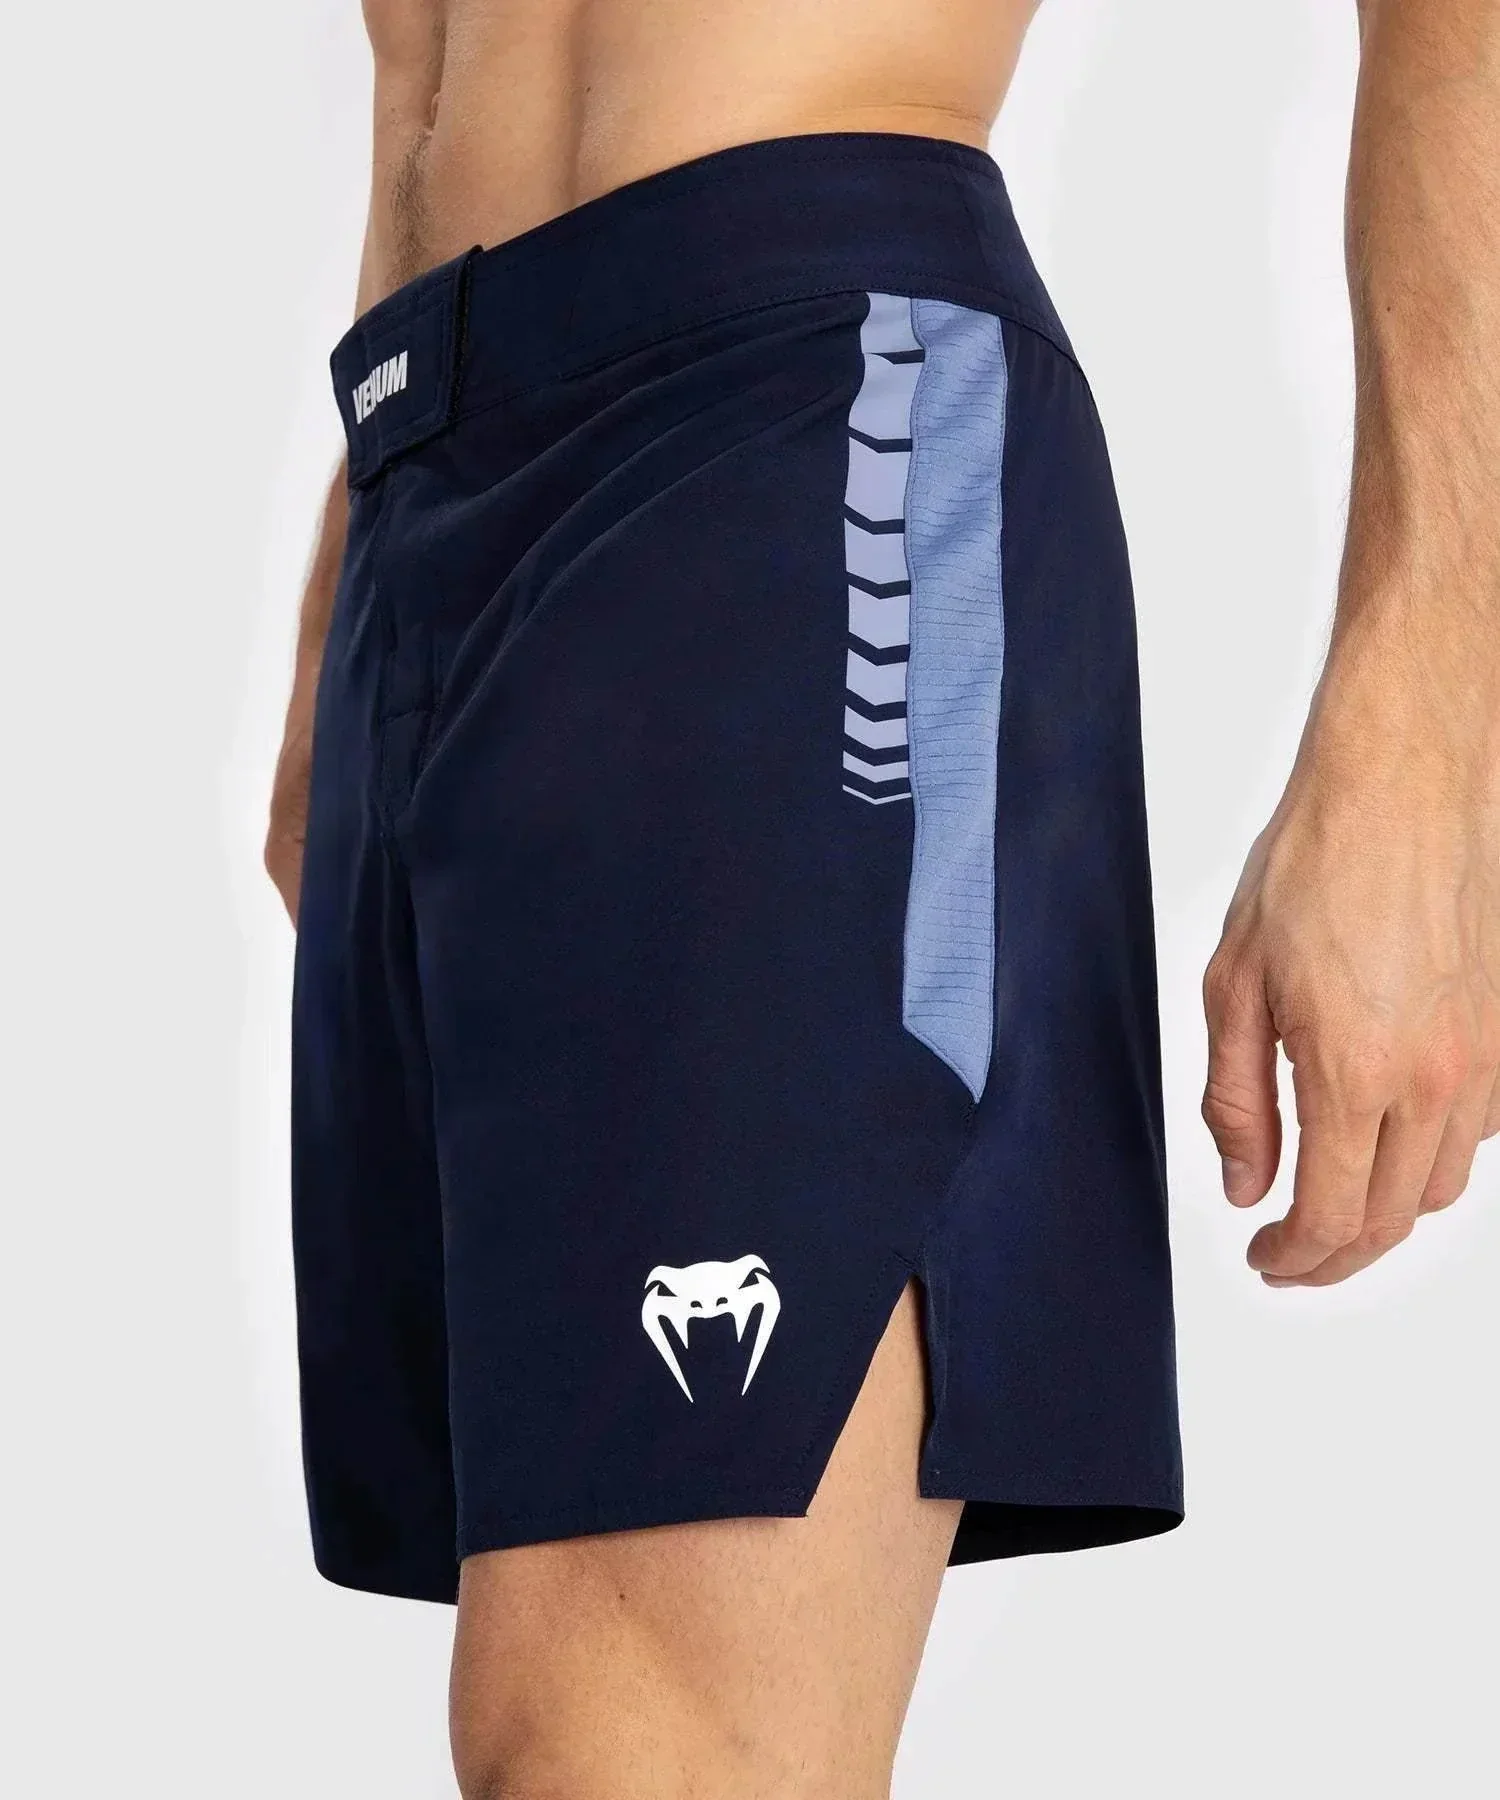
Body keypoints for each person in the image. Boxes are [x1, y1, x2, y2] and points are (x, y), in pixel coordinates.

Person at [264, 1, 1500, 1794]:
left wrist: (1427, 743)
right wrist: (347, 594)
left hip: (799, 408)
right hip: (428, 487)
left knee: (635, 1746)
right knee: (560, 1721)